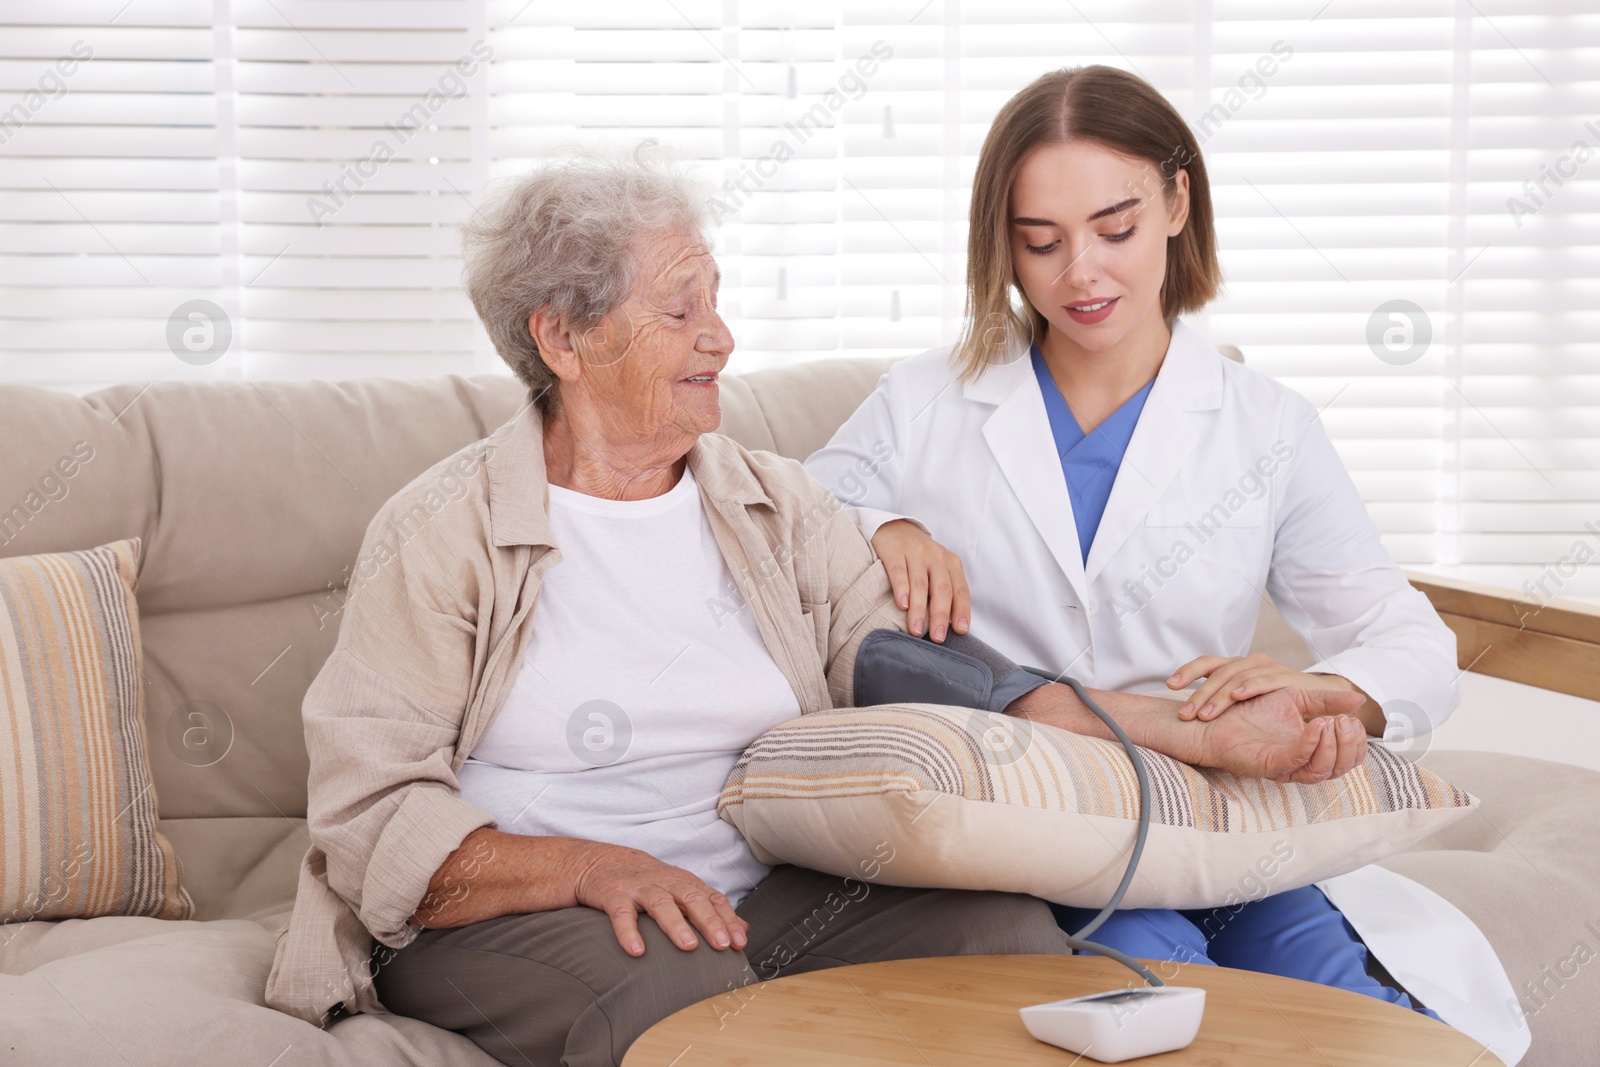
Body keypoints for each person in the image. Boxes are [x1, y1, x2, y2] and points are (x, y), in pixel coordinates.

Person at [262, 146, 1369, 1067]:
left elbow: (933, 674)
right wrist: (589, 867)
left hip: (760, 892)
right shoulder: (443, 530)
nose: (723, 337)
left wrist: (1192, 729)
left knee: (1003, 933)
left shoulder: (766, 499)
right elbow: (369, 811)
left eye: (717, 300)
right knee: (680, 975)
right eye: (680, 309)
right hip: (508, 912)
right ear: (563, 336)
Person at [805, 64, 1527, 1062]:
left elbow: (1405, 636)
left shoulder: (1265, 425)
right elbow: (786, 520)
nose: (1081, 275)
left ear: (1178, 202)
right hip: (1052, 824)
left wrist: (1325, 691)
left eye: (1115, 227)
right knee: (1169, 1010)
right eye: (1039, 241)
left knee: (1368, 1025)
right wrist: (882, 522)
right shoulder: (923, 399)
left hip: (1227, 824)